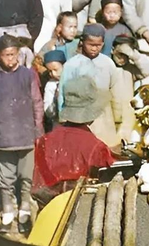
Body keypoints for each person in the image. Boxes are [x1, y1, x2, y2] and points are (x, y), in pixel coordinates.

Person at [0, 35, 44, 235]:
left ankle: (25, 209)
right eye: (6, 55)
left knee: (26, 176)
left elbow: (37, 102)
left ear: (19, 54)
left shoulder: (28, 75)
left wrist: (38, 129)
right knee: (6, 177)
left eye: (14, 54)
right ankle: (7, 211)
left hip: (25, 133)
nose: (10, 59)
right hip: (3, 134)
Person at [32, 76, 116, 208]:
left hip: (48, 212)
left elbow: (39, 187)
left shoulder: (44, 141)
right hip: (81, 214)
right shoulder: (96, 147)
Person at [58, 24, 134, 148]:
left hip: (104, 118)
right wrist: (63, 120)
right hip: (79, 119)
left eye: (98, 45)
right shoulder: (72, 65)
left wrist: (118, 119)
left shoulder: (108, 64)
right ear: (82, 42)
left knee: (105, 151)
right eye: (91, 45)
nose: (94, 48)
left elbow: (115, 93)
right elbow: (62, 93)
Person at [41, 50, 66, 127]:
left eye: (56, 70)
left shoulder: (71, 80)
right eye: (50, 71)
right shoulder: (50, 85)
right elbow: (48, 111)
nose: (53, 74)